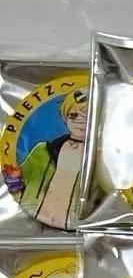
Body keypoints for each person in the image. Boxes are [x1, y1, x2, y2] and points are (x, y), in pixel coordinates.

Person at [18, 86, 87, 229]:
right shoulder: (42, 151)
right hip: (32, 221)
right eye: (74, 115)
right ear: (64, 118)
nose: (81, 121)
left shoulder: (105, 159)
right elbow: (16, 183)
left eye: (88, 115)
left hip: (78, 226)